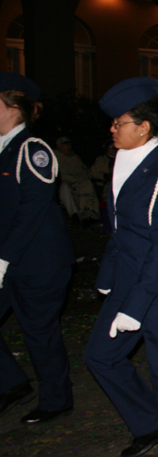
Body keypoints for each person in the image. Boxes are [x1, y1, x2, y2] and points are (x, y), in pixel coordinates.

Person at [84, 78, 158, 457]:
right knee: (100, 356)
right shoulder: (121, 164)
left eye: (119, 122)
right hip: (129, 282)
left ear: (144, 127)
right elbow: (121, 233)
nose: (112, 129)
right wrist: (107, 281)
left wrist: (134, 308)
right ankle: (150, 423)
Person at [0, 73, 75, 424]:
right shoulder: (3, 149)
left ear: (14, 108)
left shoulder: (33, 150)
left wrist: (4, 257)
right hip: (10, 260)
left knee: (39, 333)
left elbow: (32, 208)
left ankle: (56, 400)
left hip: (39, 262)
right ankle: (13, 383)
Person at [54, 136, 101, 226]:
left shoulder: (75, 157)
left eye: (69, 144)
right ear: (59, 146)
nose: (68, 146)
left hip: (77, 182)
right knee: (64, 187)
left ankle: (89, 214)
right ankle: (74, 214)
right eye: (65, 144)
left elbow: (85, 171)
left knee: (88, 184)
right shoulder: (55, 157)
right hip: (62, 183)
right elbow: (58, 175)